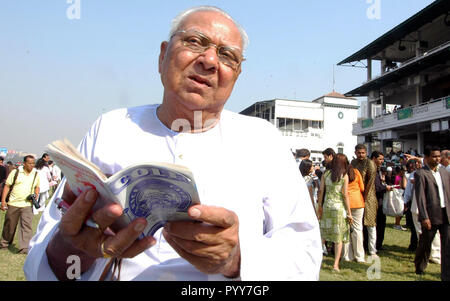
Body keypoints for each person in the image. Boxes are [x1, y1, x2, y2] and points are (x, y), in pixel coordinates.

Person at [24, 6, 322, 281]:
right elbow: (48, 258)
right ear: (162, 56)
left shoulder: (262, 140)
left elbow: (304, 255)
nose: (209, 61)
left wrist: (235, 260)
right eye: (194, 41)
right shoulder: (112, 127)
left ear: (237, 76)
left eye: (227, 55)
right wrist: (75, 245)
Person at [414, 146, 450, 280]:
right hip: (431, 215)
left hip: (446, 213)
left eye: (439, 156)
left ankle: (446, 275)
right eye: (434, 156)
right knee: (425, 243)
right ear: (427, 157)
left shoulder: (445, 172)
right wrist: (424, 217)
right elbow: (420, 197)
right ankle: (419, 265)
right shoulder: (421, 173)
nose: (437, 159)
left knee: (447, 245)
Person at [317, 153, 353, 272]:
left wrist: (320, 206)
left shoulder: (326, 174)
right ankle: (335, 264)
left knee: (323, 235)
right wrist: (349, 212)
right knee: (338, 237)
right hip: (339, 208)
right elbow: (345, 194)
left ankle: (317, 259)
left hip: (327, 206)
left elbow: (321, 190)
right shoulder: (344, 176)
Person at [0, 155, 40, 254]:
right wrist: (3, 201)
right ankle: (5, 243)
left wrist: (36, 195)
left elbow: (37, 187)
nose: (32, 165)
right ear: (24, 163)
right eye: (30, 163)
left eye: (33, 163)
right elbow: (7, 186)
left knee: (26, 226)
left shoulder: (35, 174)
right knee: (9, 225)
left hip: (27, 205)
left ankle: (24, 248)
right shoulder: (16, 172)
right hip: (13, 203)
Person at [351, 144, 378, 258]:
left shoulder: (370, 164)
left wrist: (364, 196)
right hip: (356, 196)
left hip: (369, 197)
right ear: (355, 152)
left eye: (363, 153)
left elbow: (370, 182)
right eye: (359, 153)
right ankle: (357, 248)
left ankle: (372, 250)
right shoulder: (353, 163)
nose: (361, 155)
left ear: (366, 152)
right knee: (356, 225)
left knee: (370, 224)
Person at [343, 158, 365, 263]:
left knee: (346, 230)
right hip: (358, 202)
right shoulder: (356, 172)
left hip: (345, 203)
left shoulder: (341, 173)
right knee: (357, 229)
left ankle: (348, 255)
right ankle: (360, 256)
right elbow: (362, 188)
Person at [372, 151, 393, 252]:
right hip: (375, 201)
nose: (381, 161)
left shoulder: (378, 170)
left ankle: (378, 244)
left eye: (382, 159)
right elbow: (376, 187)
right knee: (378, 224)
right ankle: (376, 245)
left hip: (379, 200)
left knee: (381, 224)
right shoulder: (372, 170)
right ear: (374, 158)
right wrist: (385, 188)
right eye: (380, 159)